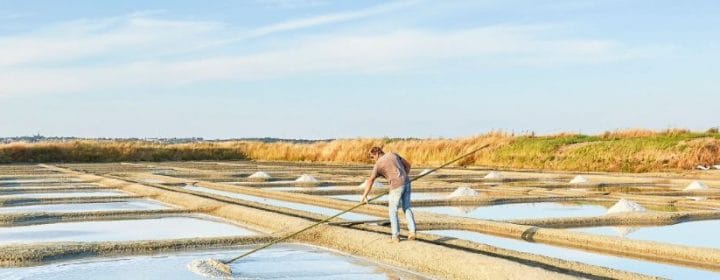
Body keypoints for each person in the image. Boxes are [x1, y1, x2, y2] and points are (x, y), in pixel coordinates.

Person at [361, 146, 416, 242]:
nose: (373, 160)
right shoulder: (392, 154)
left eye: (372, 157)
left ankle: (395, 236)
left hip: (396, 186)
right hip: (407, 182)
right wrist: (403, 178)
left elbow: (370, 180)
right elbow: (408, 165)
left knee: (392, 210)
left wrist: (364, 195)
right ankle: (412, 232)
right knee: (406, 207)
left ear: (377, 153)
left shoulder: (378, 164)